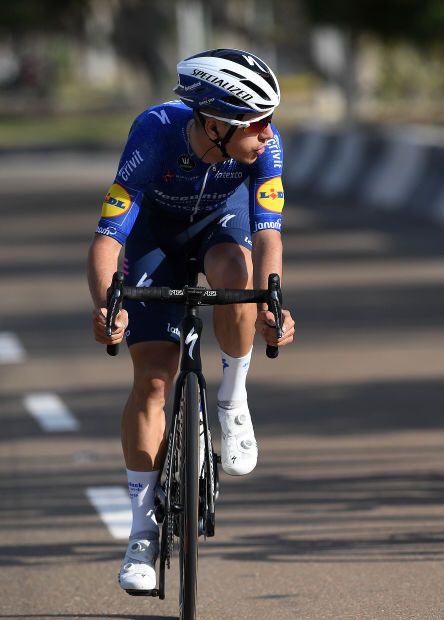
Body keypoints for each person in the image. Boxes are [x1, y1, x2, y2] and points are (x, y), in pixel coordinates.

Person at [87, 48, 296, 592]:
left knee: (237, 268)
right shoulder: (153, 133)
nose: (269, 134)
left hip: (220, 227)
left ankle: (233, 398)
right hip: (154, 237)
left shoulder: (264, 153)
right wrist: (106, 304)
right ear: (214, 124)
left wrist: (273, 303)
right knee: (154, 378)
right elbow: (109, 236)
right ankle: (141, 533)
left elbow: (270, 234)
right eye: (257, 123)